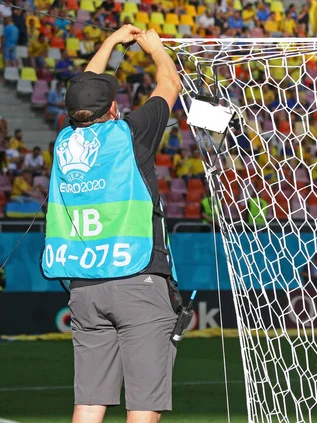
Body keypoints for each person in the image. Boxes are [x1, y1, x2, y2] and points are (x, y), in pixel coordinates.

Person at [41, 25, 182, 423]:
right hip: (138, 279)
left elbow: (83, 93)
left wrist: (109, 43)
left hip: (85, 288)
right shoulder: (131, 134)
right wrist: (155, 48)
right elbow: (169, 82)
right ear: (114, 109)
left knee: (88, 402)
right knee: (143, 403)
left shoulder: (65, 142)